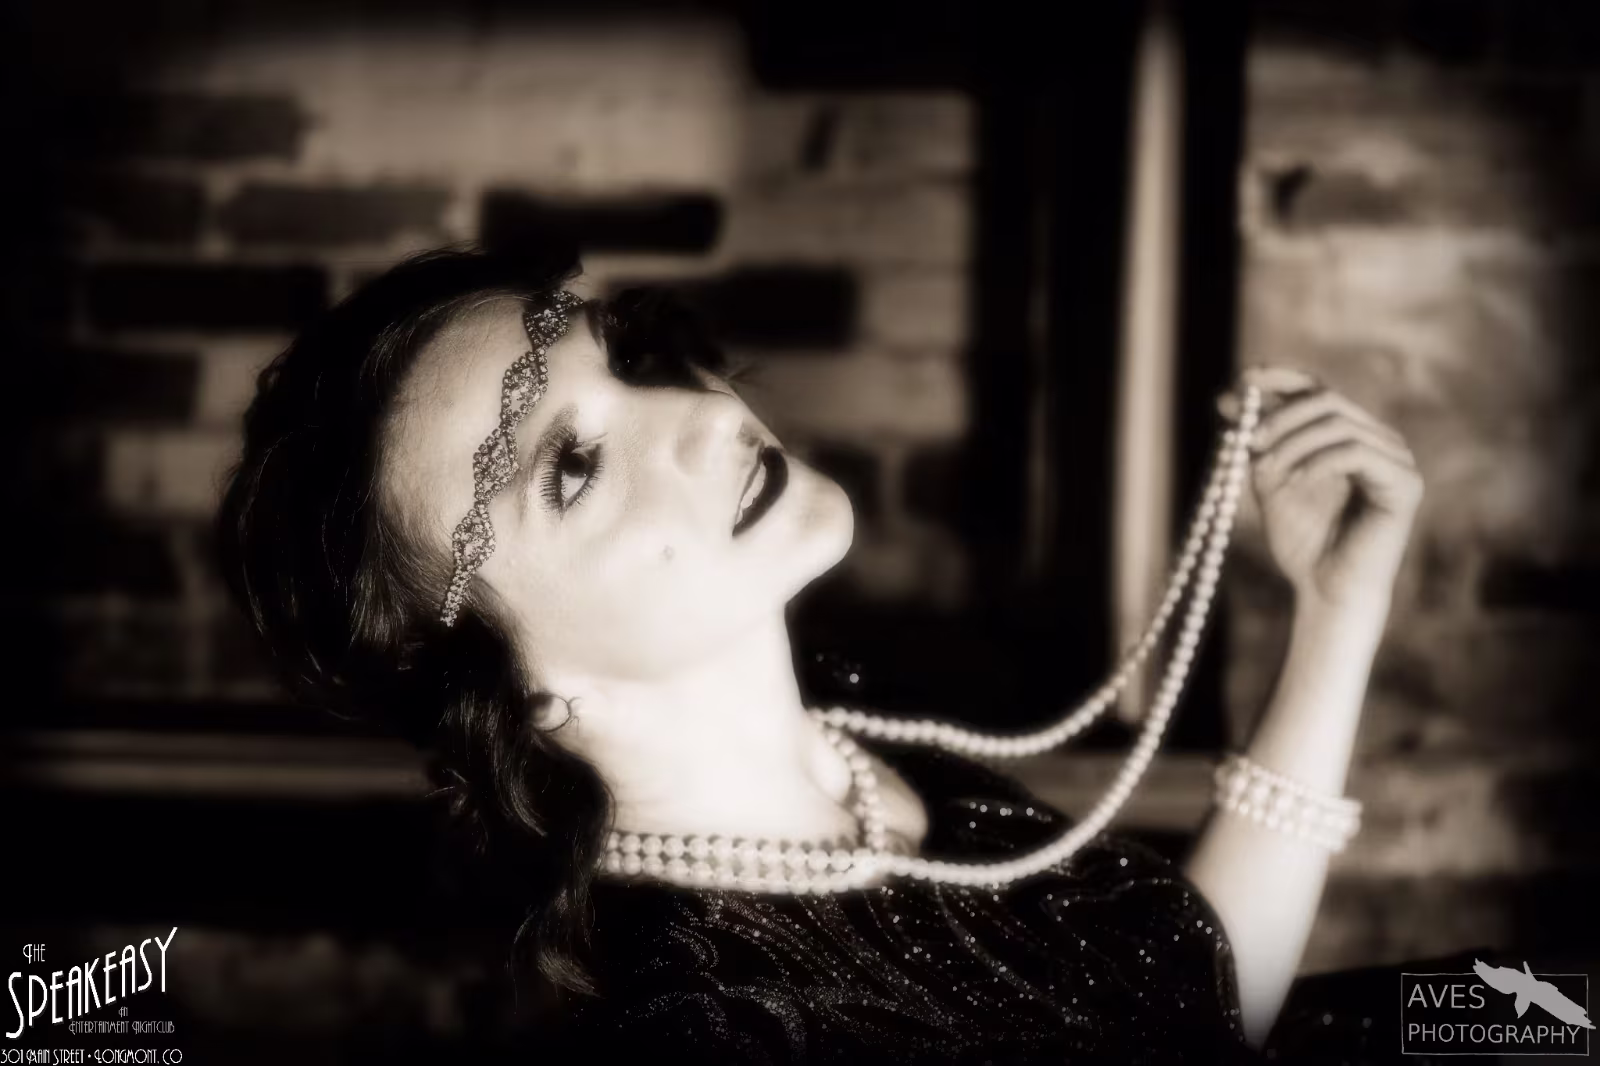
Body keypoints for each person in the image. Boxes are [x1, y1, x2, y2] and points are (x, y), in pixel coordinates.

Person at [213, 240, 1424, 1063]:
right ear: (521, 686)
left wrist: (1335, 606)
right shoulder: (712, 1026)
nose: (703, 411)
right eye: (570, 468)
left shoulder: (857, 744)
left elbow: (1191, 1011)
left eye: (624, 360)